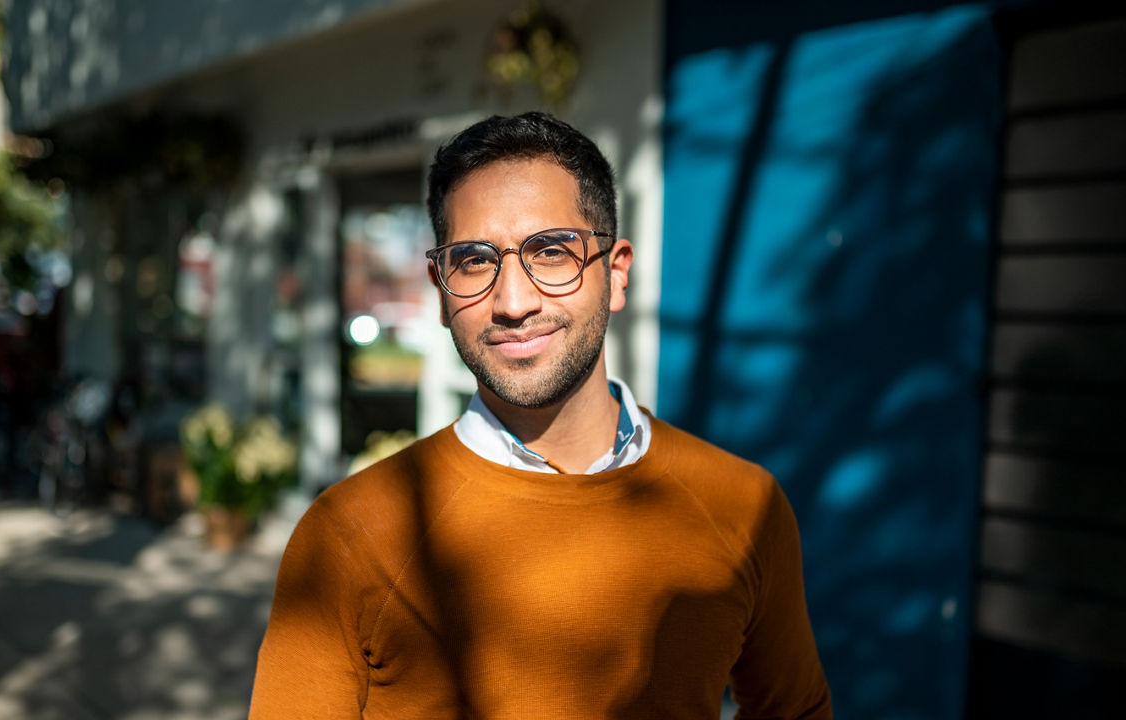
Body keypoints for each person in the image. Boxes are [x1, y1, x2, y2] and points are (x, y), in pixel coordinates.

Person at [249, 112, 831, 719]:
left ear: (617, 272)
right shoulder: (349, 535)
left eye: (552, 252)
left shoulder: (743, 505)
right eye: (474, 261)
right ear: (441, 290)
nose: (513, 301)